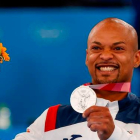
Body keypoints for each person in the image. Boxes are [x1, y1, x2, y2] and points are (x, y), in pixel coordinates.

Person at [14, 17, 140, 140]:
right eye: (96, 48)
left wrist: (115, 135)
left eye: (118, 48)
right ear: (87, 56)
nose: (105, 56)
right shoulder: (53, 118)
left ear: (136, 58)